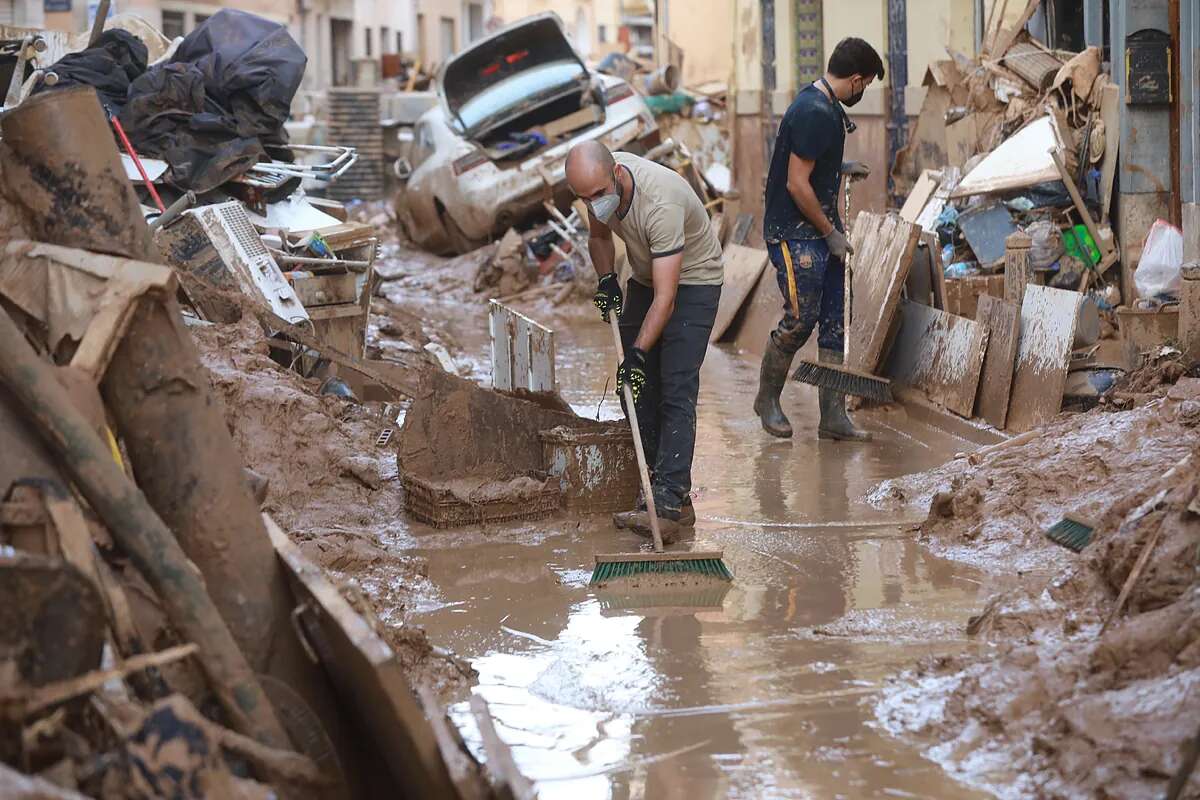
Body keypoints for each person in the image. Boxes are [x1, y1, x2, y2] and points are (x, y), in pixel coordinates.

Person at [565, 141, 724, 542]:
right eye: (585, 199)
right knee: (633, 387)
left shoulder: (661, 203)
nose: (593, 204)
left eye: (598, 195)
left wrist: (637, 352)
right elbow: (600, 238)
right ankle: (659, 487)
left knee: (675, 387)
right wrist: (605, 279)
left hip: (692, 283)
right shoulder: (598, 189)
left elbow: (666, 298)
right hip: (643, 274)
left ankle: (670, 499)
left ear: (617, 174)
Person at [754, 37, 885, 441]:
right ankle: (767, 400)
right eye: (866, 86)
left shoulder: (823, 102)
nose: (864, 93)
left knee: (833, 322)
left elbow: (807, 162)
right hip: (795, 234)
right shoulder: (815, 111)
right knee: (801, 319)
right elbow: (796, 184)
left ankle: (833, 415)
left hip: (818, 228)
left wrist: (838, 166)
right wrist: (830, 234)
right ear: (857, 80)